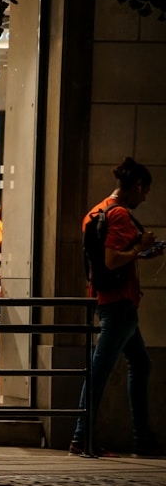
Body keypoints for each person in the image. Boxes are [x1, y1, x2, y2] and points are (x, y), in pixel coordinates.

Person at [71, 157, 162, 457]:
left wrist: (140, 252)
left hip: (108, 299)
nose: (144, 198)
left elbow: (107, 257)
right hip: (120, 303)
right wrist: (139, 247)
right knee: (100, 369)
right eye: (145, 192)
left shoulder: (97, 211)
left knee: (140, 363)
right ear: (137, 186)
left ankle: (142, 438)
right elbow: (112, 260)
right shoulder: (120, 214)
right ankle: (82, 436)